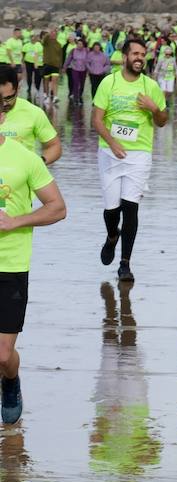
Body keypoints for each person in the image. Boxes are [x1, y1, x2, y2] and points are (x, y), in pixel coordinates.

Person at [0, 123, 65, 425]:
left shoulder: (24, 158)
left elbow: (57, 208)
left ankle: (10, 381)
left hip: (11, 264)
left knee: (2, 355)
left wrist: (15, 222)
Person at [92, 37, 168, 284]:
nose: (139, 58)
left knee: (131, 207)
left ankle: (125, 264)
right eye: (135, 54)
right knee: (112, 210)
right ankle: (112, 236)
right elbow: (97, 119)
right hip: (109, 152)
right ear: (124, 56)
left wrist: (154, 109)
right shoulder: (109, 82)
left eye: (142, 54)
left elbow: (163, 121)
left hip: (139, 153)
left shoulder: (151, 86)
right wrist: (112, 142)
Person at [0, 65, 59, 164]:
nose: (4, 103)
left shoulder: (33, 112)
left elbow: (54, 146)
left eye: (8, 98)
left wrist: (37, 164)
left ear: (18, 89)